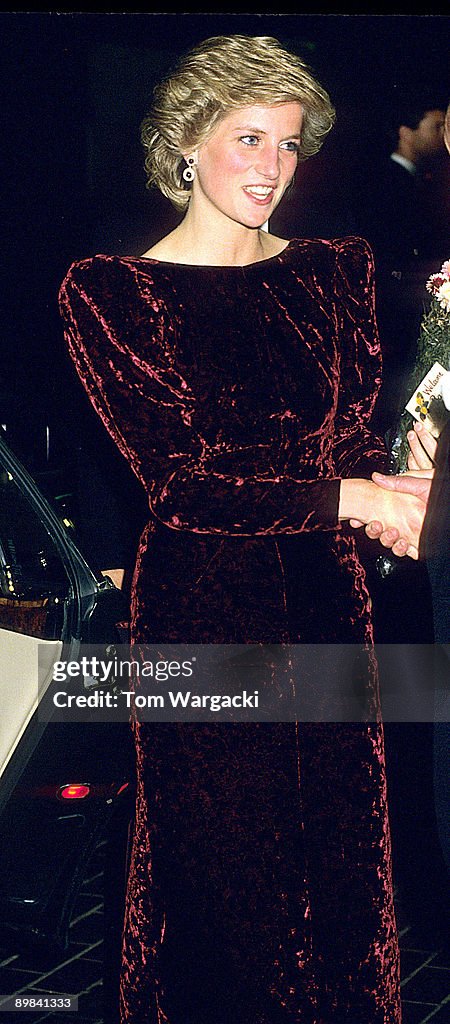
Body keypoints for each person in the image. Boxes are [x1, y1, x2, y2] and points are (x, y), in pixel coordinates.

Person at [58, 35, 427, 1024]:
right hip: (202, 610)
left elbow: (353, 445)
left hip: (328, 599)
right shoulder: (115, 296)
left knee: (346, 872)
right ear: (186, 143)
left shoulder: (335, 272)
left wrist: (407, 475)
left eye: (291, 144)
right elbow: (183, 490)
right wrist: (351, 499)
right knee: (221, 886)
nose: (273, 166)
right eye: (249, 137)